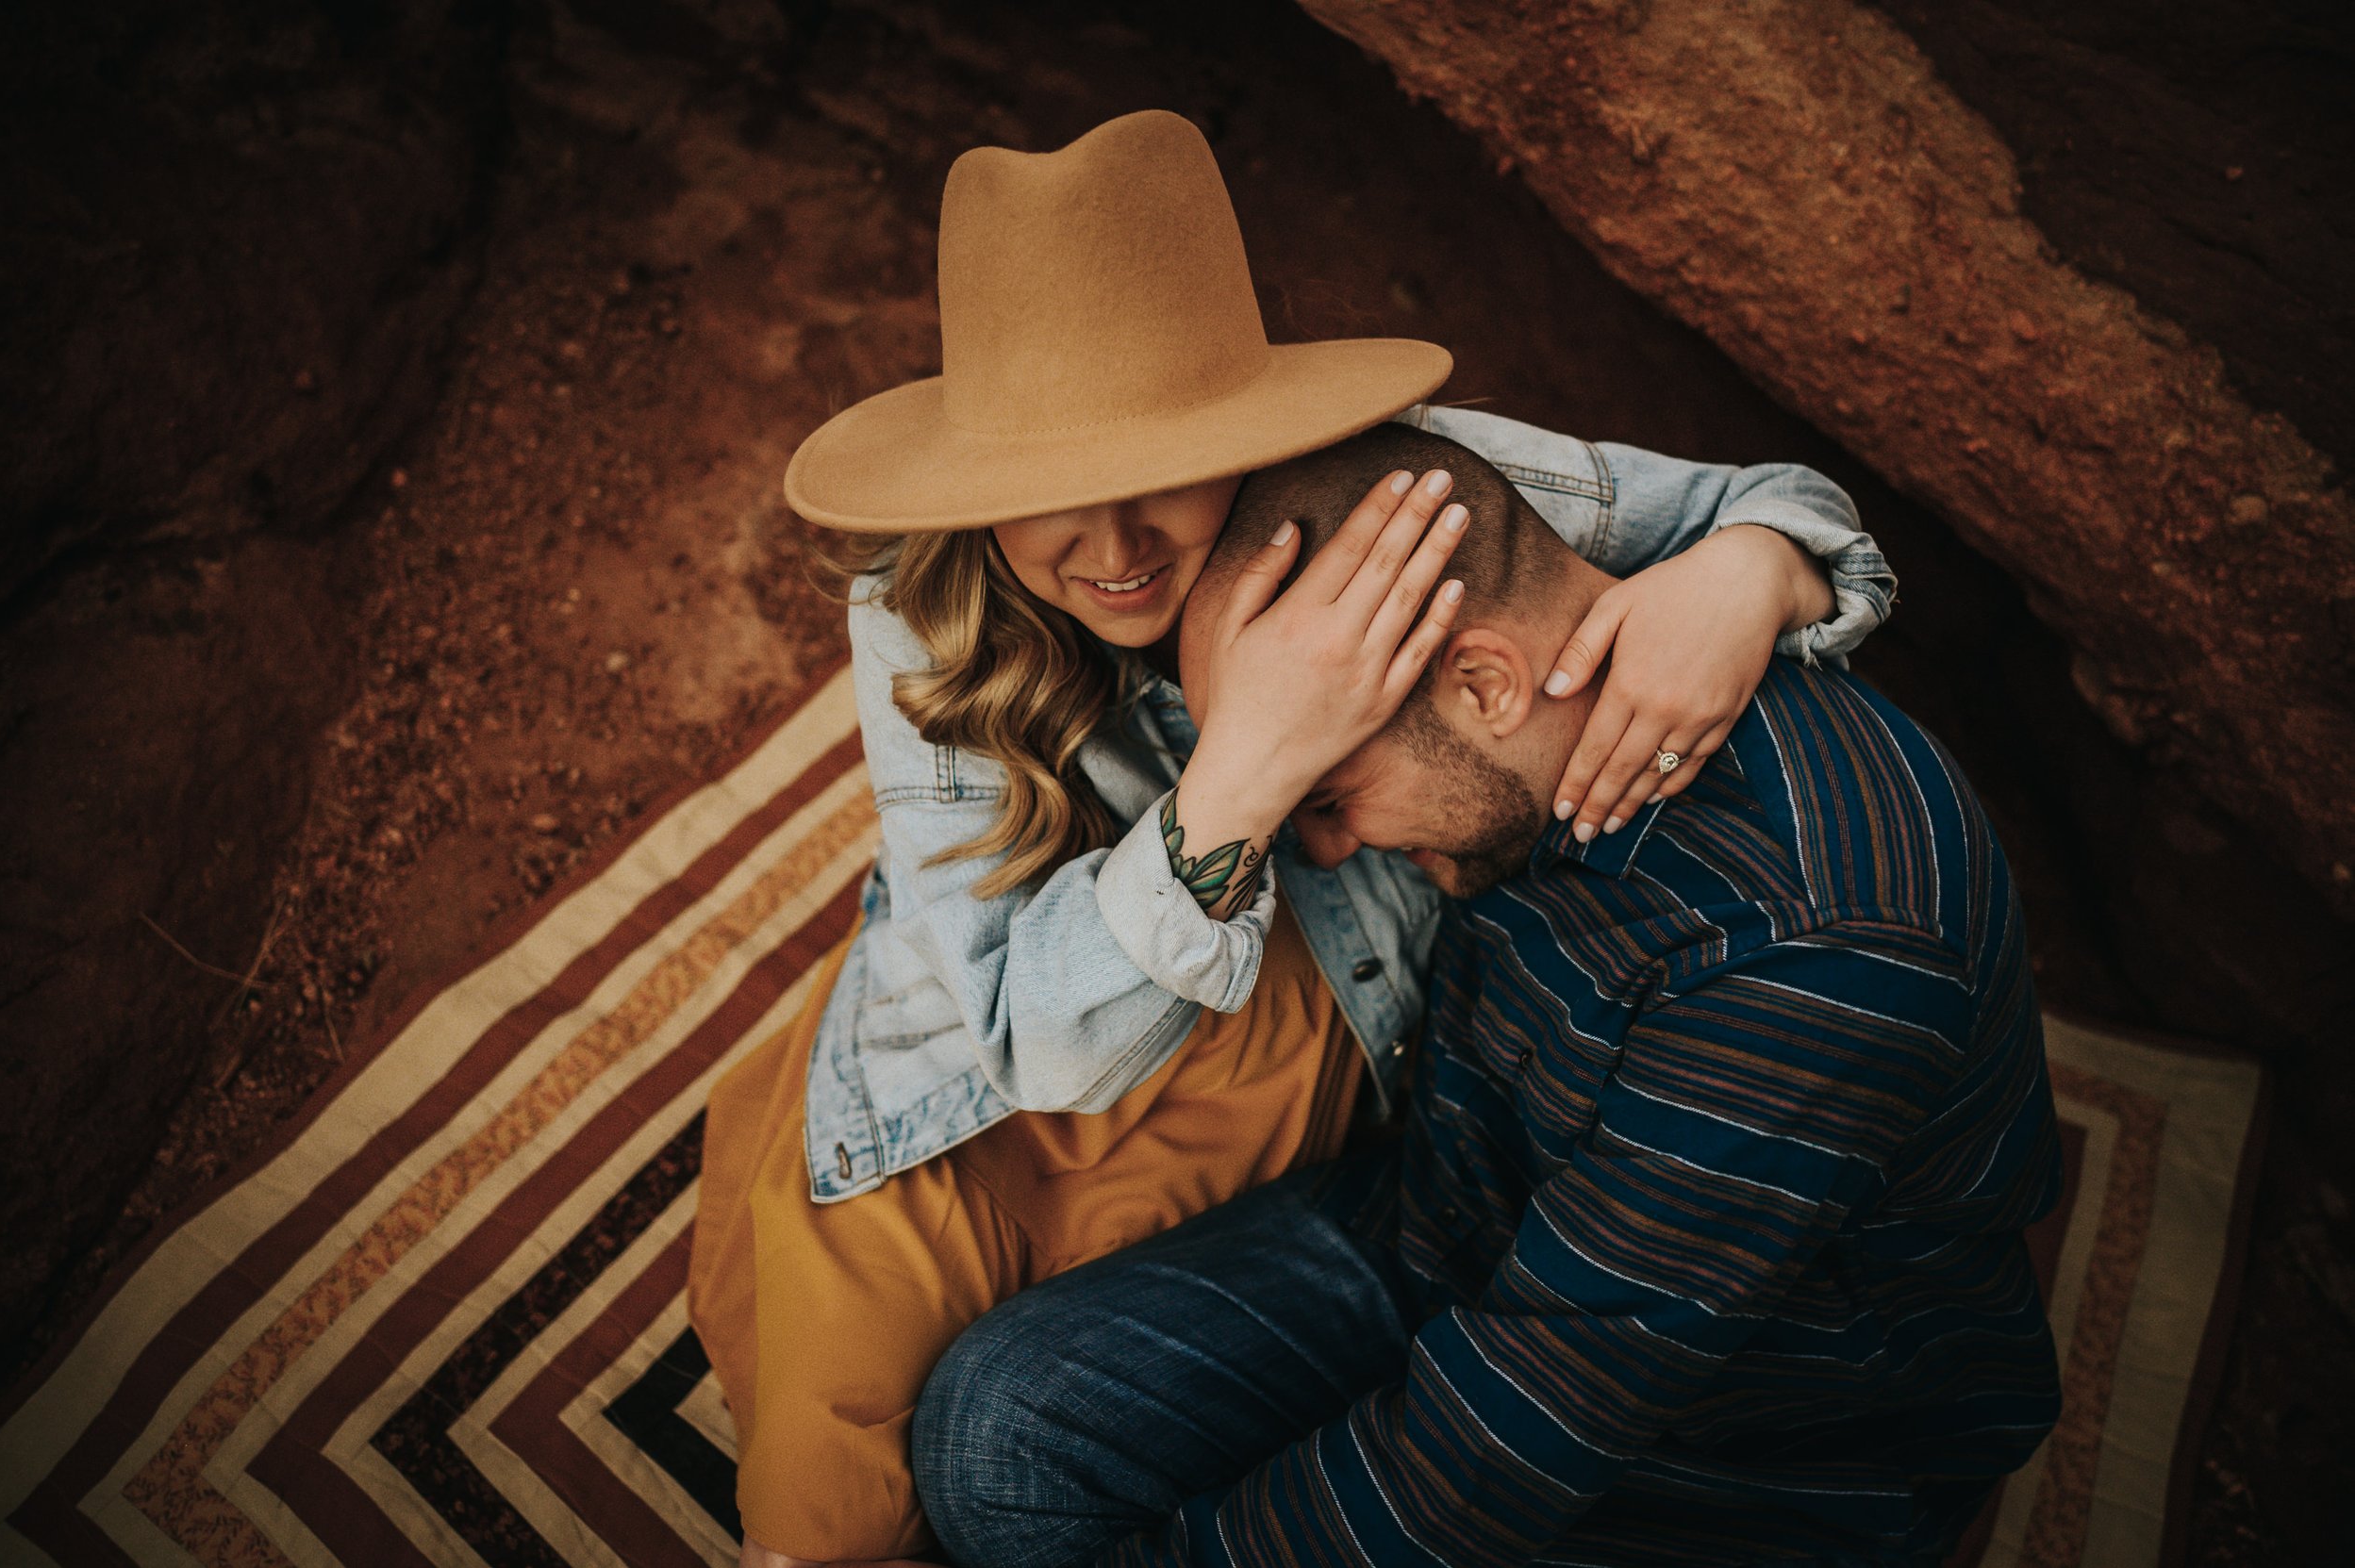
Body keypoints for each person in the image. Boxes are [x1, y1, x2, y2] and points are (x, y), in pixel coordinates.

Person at [686, 109, 1899, 1568]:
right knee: (835, 1497)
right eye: (1042, 494)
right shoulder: (916, 616)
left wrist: (1751, 572)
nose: (1114, 539)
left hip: (1295, 1033)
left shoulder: (1389, 487)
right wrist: (1245, 766)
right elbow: (1030, 1041)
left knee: (1057, 1418)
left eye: (1165, 467)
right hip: (998, 1062)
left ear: (1245, 428)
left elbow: (1782, 506)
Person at [909, 422, 2064, 1568]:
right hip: (1459, 1210)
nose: (1317, 853)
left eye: (1326, 786)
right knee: (998, 1439)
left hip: (1749, 1439)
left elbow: (1505, 1439)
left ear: (1481, 680)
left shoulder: (1810, 956)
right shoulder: (1521, 728)